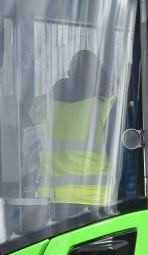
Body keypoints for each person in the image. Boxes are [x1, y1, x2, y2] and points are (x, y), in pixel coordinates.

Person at [33, 49, 116, 214]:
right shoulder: (107, 108)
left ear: (69, 73)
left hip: (49, 203)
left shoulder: (40, 106)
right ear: (98, 75)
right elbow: (124, 164)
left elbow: (27, 154)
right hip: (95, 204)